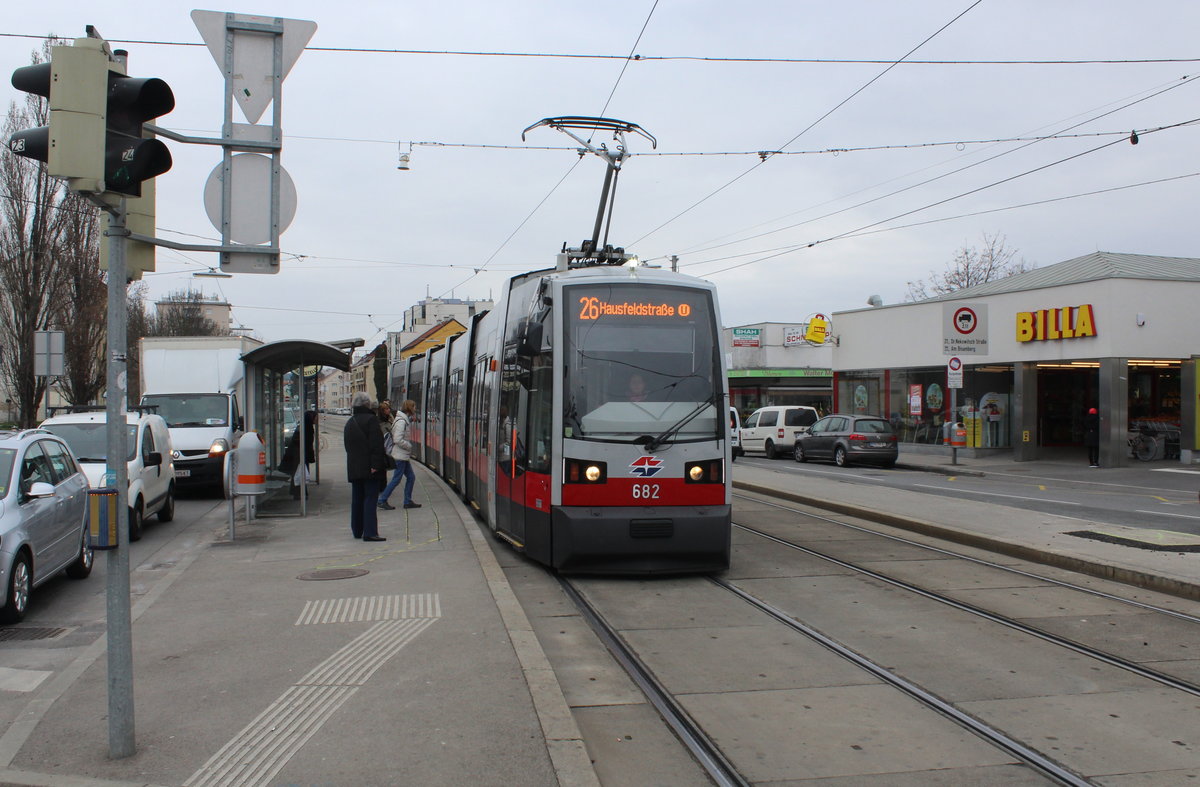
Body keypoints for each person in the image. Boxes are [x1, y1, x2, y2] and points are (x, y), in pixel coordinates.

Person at [343, 391, 387, 541]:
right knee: (370, 499)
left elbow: (348, 446)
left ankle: (357, 530)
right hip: (370, 468)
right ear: (367, 404)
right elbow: (377, 445)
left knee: (357, 499)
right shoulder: (371, 420)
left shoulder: (350, 422)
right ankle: (370, 532)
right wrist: (375, 464)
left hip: (355, 468)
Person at [379, 399, 420, 510]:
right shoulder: (401, 422)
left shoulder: (402, 419)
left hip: (403, 456)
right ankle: (382, 499)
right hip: (400, 456)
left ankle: (407, 501)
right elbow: (397, 439)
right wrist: (409, 446)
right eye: (414, 406)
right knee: (397, 479)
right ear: (410, 408)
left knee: (411, 477)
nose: (415, 409)